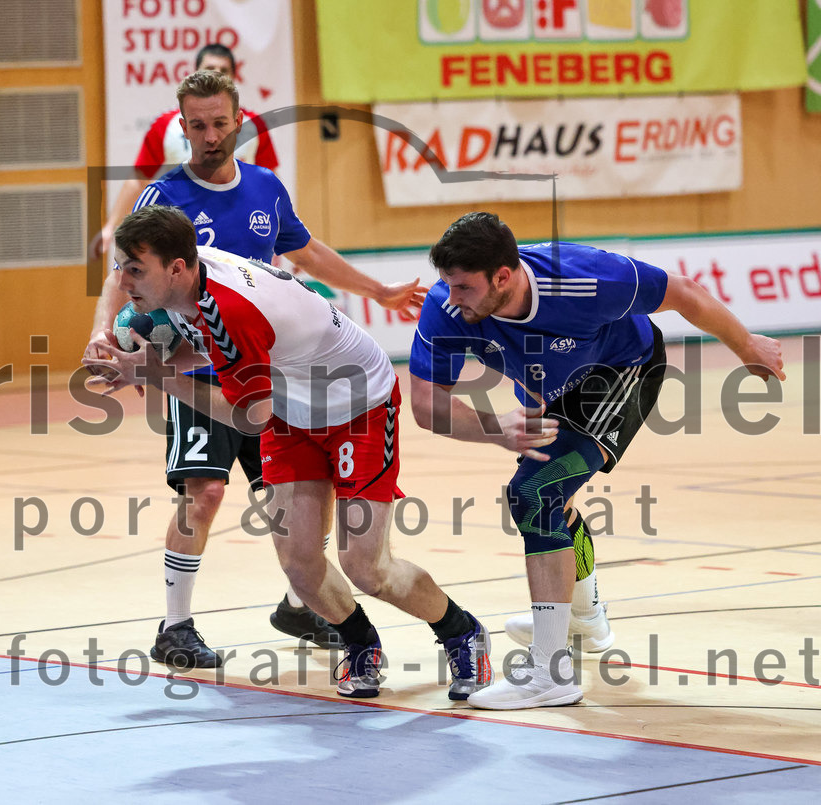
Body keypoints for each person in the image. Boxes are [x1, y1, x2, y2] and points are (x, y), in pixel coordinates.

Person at [84, 205, 531, 700]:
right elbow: (224, 352)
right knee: (299, 562)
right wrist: (141, 365)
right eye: (119, 267)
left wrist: (156, 373)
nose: (124, 282)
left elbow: (247, 416)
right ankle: (360, 643)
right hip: (293, 406)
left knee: (366, 567)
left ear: (175, 268)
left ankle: (461, 631)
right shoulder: (196, 271)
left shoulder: (230, 308)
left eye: (135, 269)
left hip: (358, 404)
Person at [84, 70, 425, 670]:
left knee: (295, 502)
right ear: (178, 125)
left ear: (239, 122)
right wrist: (101, 333)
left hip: (267, 375)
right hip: (196, 370)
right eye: (197, 125)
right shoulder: (162, 196)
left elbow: (308, 251)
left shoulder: (266, 186)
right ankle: (175, 625)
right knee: (206, 492)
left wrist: (379, 290)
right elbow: (122, 275)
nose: (210, 135)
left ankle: (300, 602)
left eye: (220, 123)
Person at [409, 211, 785, 710]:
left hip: (621, 371)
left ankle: (551, 673)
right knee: (548, 498)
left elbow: (685, 291)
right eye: (447, 287)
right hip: (553, 387)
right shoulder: (447, 307)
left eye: (463, 288)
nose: (452, 299)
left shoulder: (584, 277)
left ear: (503, 276)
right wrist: (498, 429)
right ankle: (582, 615)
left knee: (535, 493)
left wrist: (746, 345)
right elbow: (425, 403)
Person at [89, 43, 278, 261]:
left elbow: (270, 186)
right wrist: (111, 226)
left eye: (223, 71)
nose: (216, 75)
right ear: (196, 74)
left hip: (238, 234)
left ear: (234, 77)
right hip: (179, 236)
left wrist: (285, 238)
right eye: (209, 68)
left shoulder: (253, 126)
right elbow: (138, 180)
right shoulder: (166, 126)